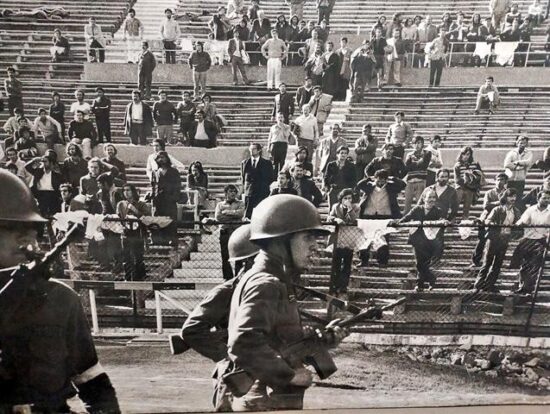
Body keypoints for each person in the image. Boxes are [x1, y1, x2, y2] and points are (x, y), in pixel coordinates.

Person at [0, 169, 121, 413]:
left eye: (31, 227)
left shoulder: (60, 299)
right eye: (10, 227)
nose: (26, 236)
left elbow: (92, 380)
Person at [226, 194, 346, 411]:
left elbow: (278, 338)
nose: (315, 247)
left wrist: (319, 340)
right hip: (264, 400)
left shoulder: (278, 281)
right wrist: (289, 375)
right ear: (281, 240)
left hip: (269, 397)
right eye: (307, 237)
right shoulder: (267, 283)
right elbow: (243, 341)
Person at [398, 189, 448, 291]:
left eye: (434, 197)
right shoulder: (417, 209)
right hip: (417, 240)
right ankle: (430, 280)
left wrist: (444, 221)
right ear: (424, 198)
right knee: (419, 263)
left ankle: (421, 284)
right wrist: (398, 222)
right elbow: (406, 218)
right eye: (429, 197)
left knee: (424, 263)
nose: (431, 200)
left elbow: (442, 221)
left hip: (430, 241)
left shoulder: (438, 211)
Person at [473, 188, 520, 293]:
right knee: (487, 263)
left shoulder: (516, 211)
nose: (513, 198)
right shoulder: (498, 209)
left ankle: (489, 285)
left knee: (498, 264)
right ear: (505, 197)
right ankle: (478, 285)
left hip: (505, 239)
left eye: (514, 196)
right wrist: (492, 224)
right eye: (510, 196)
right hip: (493, 238)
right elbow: (487, 220)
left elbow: (518, 224)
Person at [357, 169, 406, 267]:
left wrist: (393, 178)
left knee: (383, 239)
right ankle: (364, 260)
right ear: (375, 179)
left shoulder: (391, 187)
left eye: (383, 180)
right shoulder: (369, 186)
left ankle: (382, 261)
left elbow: (403, 184)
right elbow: (359, 185)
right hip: (368, 214)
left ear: (386, 180)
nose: (380, 182)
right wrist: (368, 179)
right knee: (365, 238)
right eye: (378, 180)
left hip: (384, 215)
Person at [117, 184, 150, 304]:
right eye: (124, 190)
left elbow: (146, 218)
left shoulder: (141, 204)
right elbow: (119, 217)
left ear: (133, 191)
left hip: (138, 234)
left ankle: (139, 278)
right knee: (126, 257)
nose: (126, 193)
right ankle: (127, 277)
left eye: (128, 190)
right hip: (126, 233)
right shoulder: (120, 204)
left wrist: (135, 210)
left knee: (138, 257)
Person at [511, 191, 550, 294]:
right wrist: (518, 225)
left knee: (535, 264)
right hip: (529, 239)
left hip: (541, 240)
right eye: (544, 198)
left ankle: (529, 288)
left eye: (548, 198)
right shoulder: (531, 209)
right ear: (538, 199)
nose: (547, 200)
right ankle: (522, 286)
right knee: (524, 265)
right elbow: (522, 221)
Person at [471, 172, 509, 267]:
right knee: (482, 240)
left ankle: (492, 262)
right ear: (495, 181)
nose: (500, 182)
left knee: (496, 242)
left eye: (502, 180)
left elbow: (509, 205)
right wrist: (499, 202)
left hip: (500, 220)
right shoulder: (489, 192)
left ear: (506, 182)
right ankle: (476, 261)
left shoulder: (508, 193)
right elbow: (486, 206)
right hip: (487, 218)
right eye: (498, 180)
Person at [328, 188, 359, 296]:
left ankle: (343, 286)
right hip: (338, 237)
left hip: (349, 237)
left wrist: (350, 209)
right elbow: (329, 217)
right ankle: (333, 286)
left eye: (349, 198)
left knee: (346, 263)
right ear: (341, 199)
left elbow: (356, 220)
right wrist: (336, 219)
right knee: (335, 263)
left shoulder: (356, 207)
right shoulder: (335, 207)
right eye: (345, 198)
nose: (347, 200)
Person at [215, 184, 246, 280]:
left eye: (234, 192)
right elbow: (218, 217)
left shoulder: (240, 203)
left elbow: (240, 214)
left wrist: (227, 212)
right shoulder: (220, 205)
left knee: (239, 255)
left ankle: (238, 276)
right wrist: (233, 214)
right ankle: (228, 277)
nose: (233, 193)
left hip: (237, 232)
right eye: (230, 191)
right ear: (226, 193)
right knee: (225, 256)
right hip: (225, 232)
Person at [150, 151, 181, 246]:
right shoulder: (155, 172)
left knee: (171, 221)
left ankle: (172, 241)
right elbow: (153, 186)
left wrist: (174, 198)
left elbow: (178, 186)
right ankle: (158, 242)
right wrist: (153, 198)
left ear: (167, 159)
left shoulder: (174, 171)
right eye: (159, 158)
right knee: (158, 221)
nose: (161, 160)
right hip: (159, 201)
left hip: (170, 201)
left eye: (163, 157)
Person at [25, 151, 63, 217]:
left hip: (52, 194)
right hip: (41, 194)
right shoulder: (38, 171)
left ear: (51, 163)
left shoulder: (56, 175)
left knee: (53, 214)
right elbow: (27, 166)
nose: (43, 163)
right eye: (42, 161)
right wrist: (35, 159)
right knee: (41, 213)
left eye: (45, 161)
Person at [241, 143, 273, 218]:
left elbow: (271, 178)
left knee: (262, 215)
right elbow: (243, 178)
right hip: (249, 193)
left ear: (259, 150)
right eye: (250, 149)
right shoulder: (245, 163)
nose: (251, 151)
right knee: (248, 216)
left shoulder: (267, 163)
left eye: (254, 149)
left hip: (262, 193)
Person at [454, 146, 483, 220]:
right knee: (455, 204)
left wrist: (472, 184)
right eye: (464, 154)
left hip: (471, 188)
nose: (465, 156)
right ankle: (452, 220)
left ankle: (465, 222)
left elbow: (479, 175)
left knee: (467, 207)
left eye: (468, 154)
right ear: (461, 155)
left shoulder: (475, 164)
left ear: (470, 155)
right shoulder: (458, 165)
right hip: (460, 187)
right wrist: (466, 183)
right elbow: (457, 179)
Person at [404, 136, 432, 214]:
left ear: (422, 144)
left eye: (419, 143)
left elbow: (424, 165)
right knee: (407, 204)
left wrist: (414, 163)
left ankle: (420, 220)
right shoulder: (409, 154)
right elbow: (407, 168)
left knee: (420, 203)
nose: (417, 145)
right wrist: (418, 163)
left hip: (421, 181)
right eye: (415, 143)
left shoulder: (427, 153)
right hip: (410, 181)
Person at [504, 135, 533, 200]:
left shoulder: (529, 153)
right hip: (510, 179)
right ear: (517, 143)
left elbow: (528, 162)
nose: (522, 145)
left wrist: (518, 162)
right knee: (508, 197)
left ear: (527, 144)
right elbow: (507, 164)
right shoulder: (511, 153)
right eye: (521, 143)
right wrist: (518, 168)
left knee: (518, 198)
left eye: (524, 143)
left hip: (521, 179)